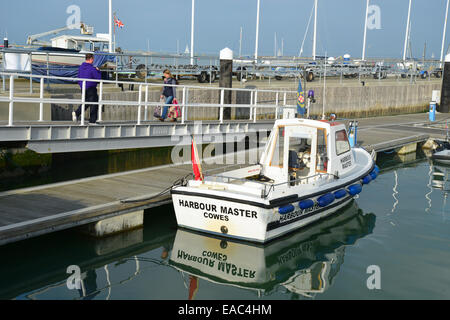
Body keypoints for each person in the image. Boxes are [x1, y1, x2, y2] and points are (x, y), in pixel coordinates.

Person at [72, 53, 102, 124]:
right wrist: (98, 71)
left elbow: (79, 77)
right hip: (91, 88)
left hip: (83, 88)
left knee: (86, 102)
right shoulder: (92, 68)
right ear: (91, 59)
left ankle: (77, 113)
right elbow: (98, 78)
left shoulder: (81, 68)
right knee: (94, 103)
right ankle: (92, 121)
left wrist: (81, 85)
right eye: (93, 59)